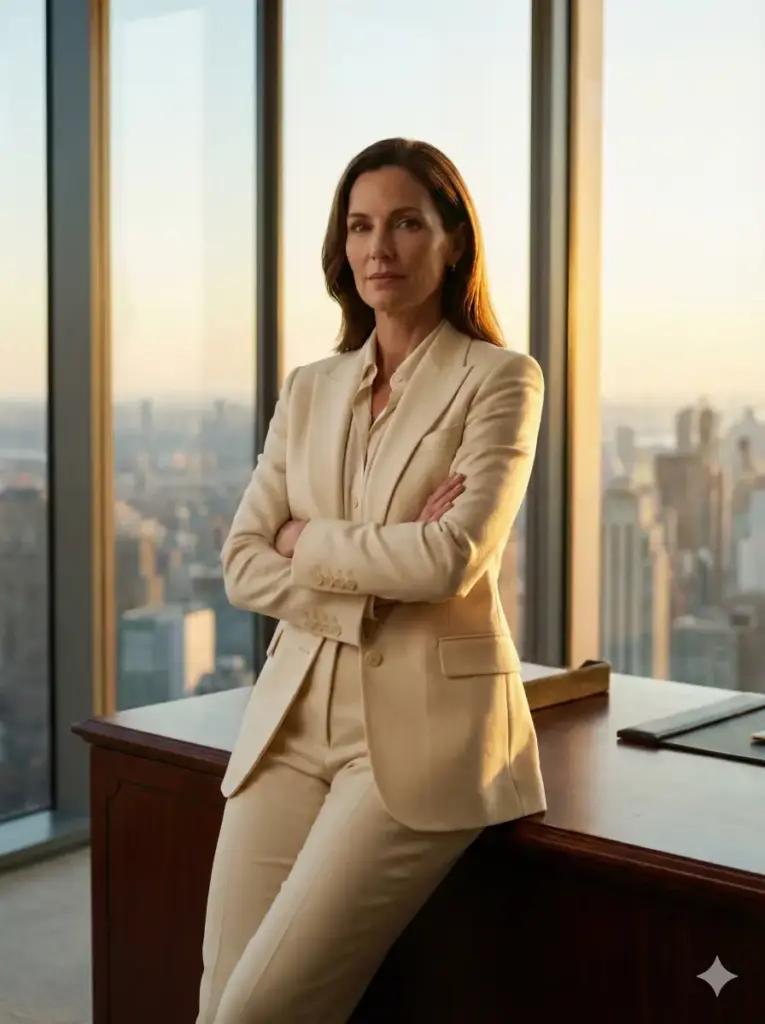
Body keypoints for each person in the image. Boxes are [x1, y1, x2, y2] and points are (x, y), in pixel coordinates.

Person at [196, 136, 546, 1024]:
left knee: (259, 1013)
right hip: (289, 724)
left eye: (403, 223)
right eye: (358, 226)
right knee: (216, 1002)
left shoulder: (500, 380)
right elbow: (241, 561)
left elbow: (448, 558)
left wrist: (305, 537)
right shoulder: (311, 387)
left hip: (419, 741)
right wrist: (374, 566)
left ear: (452, 240)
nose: (377, 248)